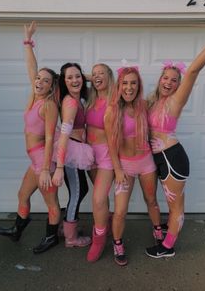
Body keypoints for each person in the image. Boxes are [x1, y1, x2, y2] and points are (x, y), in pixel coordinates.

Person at [145, 30, 205, 258]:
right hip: (161, 158)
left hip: (172, 157)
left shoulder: (175, 101)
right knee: (172, 204)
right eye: (165, 78)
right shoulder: (154, 101)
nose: (169, 82)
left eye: (174, 80)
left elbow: (194, 69)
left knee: (176, 205)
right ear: (160, 79)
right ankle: (170, 231)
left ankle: (167, 247)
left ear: (179, 85)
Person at [0, 21, 61, 254]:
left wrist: (45, 169)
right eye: (38, 79)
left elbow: (51, 138)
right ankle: (17, 230)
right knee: (22, 194)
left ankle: (52, 237)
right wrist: (28, 42)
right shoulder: (34, 97)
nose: (39, 82)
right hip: (35, 161)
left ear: (52, 87)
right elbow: (32, 68)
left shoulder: (49, 105)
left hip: (43, 161)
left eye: (46, 81)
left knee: (51, 203)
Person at [104, 66, 162, 266]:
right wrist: (118, 169)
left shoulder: (144, 105)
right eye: (125, 83)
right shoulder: (112, 110)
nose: (129, 87)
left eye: (133, 83)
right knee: (120, 210)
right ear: (119, 85)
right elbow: (111, 145)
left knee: (152, 200)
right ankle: (118, 243)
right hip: (125, 167)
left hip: (146, 163)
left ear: (139, 85)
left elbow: (165, 101)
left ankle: (158, 232)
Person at [52, 63, 94, 247]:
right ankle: (71, 238)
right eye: (69, 78)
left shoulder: (79, 98)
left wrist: (83, 77)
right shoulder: (70, 102)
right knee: (77, 192)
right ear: (63, 81)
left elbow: (92, 79)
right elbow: (64, 134)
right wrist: (59, 167)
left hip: (78, 148)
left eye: (77, 76)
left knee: (79, 190)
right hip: (71, 151)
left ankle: (66, 226)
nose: (75, 80)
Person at [85, 63, 115, 262]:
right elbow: (76, 77)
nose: (96, 77)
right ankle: (108, 221)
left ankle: (99, 239)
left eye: (101, 73)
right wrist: (92, 77)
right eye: (93, 74)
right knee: (100, 197)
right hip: (88, 154)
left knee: (97, 199)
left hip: (107, 156)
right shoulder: (90, 96)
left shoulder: (115, 98)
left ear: (109, 76)